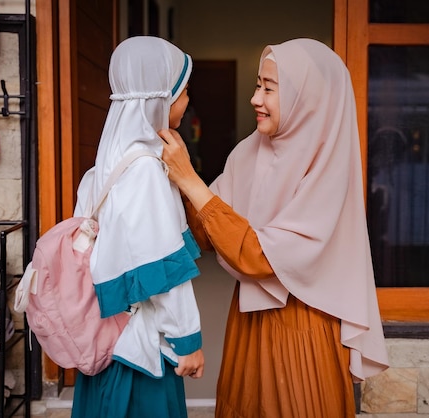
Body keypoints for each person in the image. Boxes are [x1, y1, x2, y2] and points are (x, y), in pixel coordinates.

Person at [160, 38, 389, 418]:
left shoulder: (326, 169)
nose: (255, 98)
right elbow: (206, 231)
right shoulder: (248, 153)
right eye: (257, 84)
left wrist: (188, 178)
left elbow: (260, 257)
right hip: (248, 325)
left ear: (307, 100)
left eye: (269, 88)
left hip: (302, 332)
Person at [71, 36, 205, 418]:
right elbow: (160, 270)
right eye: (183, 91)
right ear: (159, 96)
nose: (186, 101)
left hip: (106, 342)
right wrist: (187, 340)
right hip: (140, 354)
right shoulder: (145, 170)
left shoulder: (105, 164)